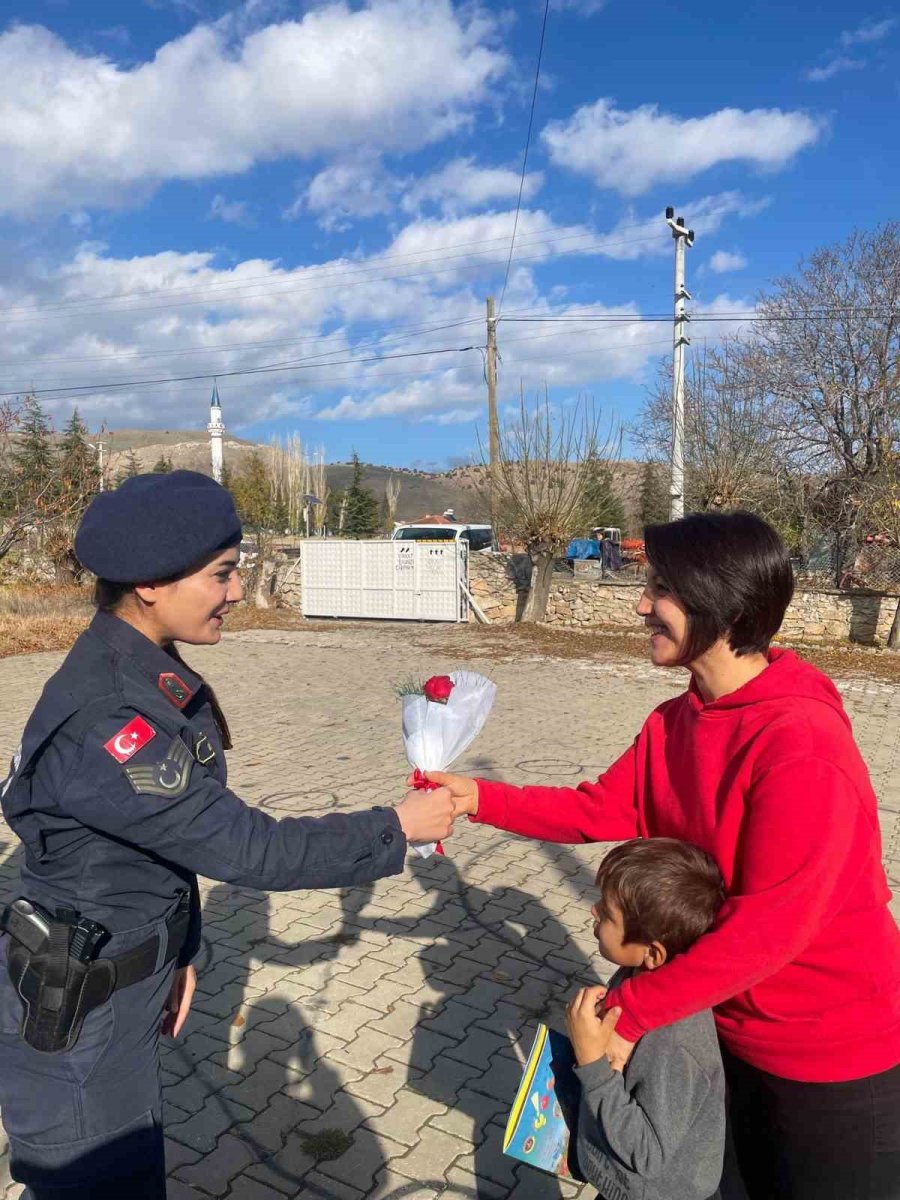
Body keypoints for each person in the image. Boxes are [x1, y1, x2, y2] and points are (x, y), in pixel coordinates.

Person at [414, 510, 900, 1200]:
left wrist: (634, 1014)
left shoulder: (801, 744)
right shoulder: (678, 721)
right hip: (719, 1030)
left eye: (660, 589)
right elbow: (598, 810)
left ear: (722, 603)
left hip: (826, 1056)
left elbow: (773, 927)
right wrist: (476, 799)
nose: (642, 604)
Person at [0, 470, 453, 1200]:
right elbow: (248, 848)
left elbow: (153, 852)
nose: (238, 591)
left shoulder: (140, 670)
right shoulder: (110, 717)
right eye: (222, 573)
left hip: (115, 991)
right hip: (79, 1026)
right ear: (150, 583)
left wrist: (175, 955)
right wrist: (396, 828)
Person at [566, 838, 726, 1200]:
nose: (593, 913)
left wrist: (591, 1063)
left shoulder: (675, 1043)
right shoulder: (634, 975)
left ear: (653, 953)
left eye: (607, 914)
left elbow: (647, 1154)